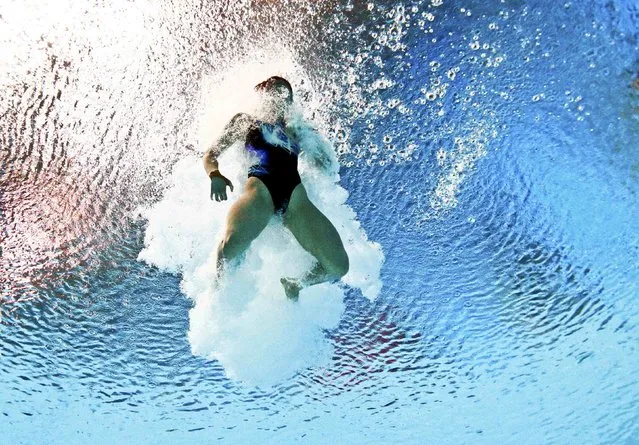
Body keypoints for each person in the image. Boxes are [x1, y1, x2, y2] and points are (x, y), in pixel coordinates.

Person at [202, 76, 349, 300]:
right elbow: (211, 154)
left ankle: (296, 284)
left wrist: (316, 141)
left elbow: (327, 166)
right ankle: (219, 291)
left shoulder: (296, 131)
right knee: (231, 246)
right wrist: (215, 174)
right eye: (275, 93)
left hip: (296, 200)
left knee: (337, 266)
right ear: (263, 95)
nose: (280, 100)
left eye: (285, 96)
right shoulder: (246, 122)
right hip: (260, 191)